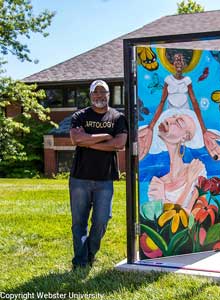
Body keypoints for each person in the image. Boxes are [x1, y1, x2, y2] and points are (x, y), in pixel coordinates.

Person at [69, 79, 128, 269]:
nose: (99, 96)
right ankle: (81, 261)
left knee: (102, 220)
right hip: (79, 177)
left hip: (105, 178)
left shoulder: (117, 118)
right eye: (96, 92)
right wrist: (105, 136)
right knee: (79, 221)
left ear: (109, 95)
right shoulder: (80, 116)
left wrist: (88, 140)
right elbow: (76, 139)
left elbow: (119, 143)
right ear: (91, 94)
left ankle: (90, 253)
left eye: (103, 92)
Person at [139, 53, 220, 161]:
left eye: (181, 60)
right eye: (176, 60)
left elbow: (194, 102)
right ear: (173, 64)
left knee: (189, 140)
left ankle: (186, 163)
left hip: (186, 114)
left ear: (184, 64)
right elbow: (162, 101)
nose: (178, 63)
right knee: (164, 138)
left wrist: (203, 129)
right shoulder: (168, 80)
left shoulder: (187, 80)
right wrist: (151, 126)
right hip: (170, 113)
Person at [148, 113, 206, 214]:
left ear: (185, 137)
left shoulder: (197, 168)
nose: (168, 119)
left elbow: (196, 215)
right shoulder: (156, 185)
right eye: (172, 116)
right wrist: (189, 183)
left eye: (178, 122)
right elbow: (169, 219)